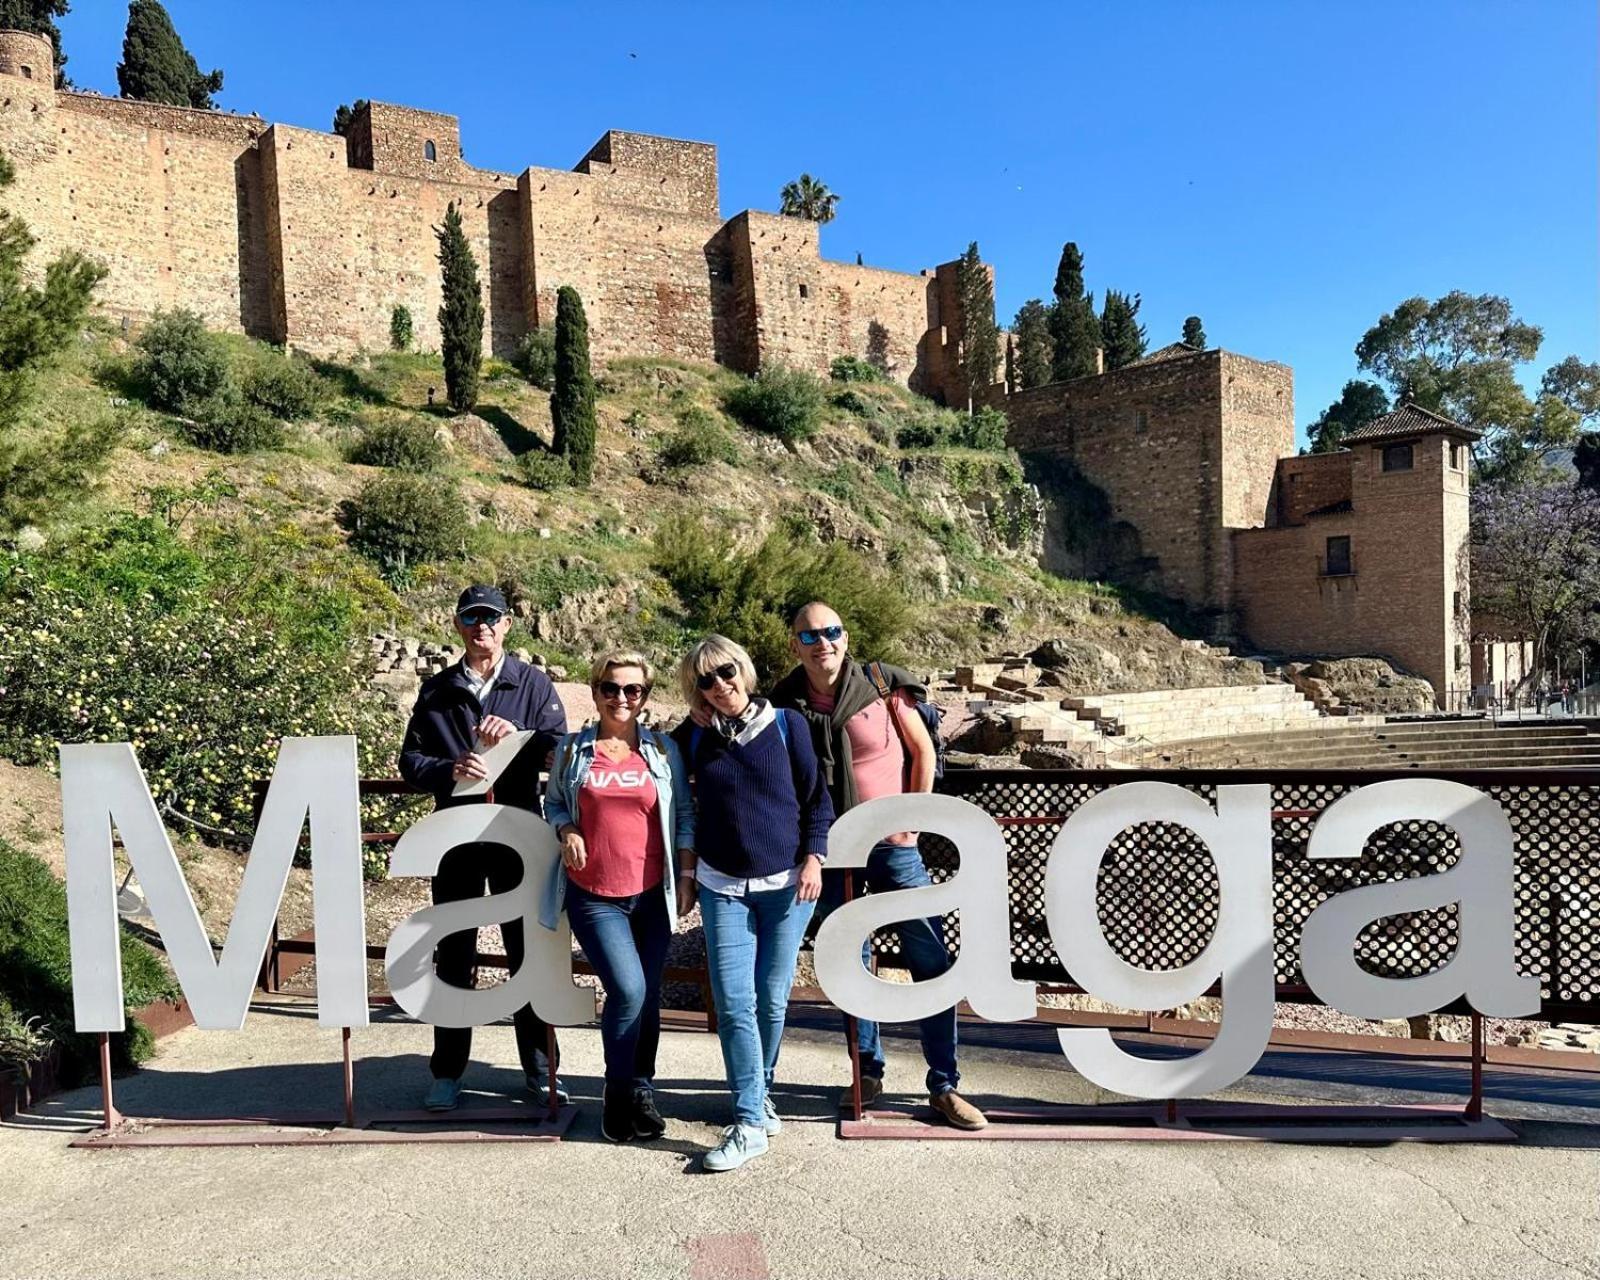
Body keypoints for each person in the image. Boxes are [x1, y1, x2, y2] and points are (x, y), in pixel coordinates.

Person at [771, 601, 987, 1130]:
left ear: (845, 636)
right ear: (794, 643)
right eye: (809, 635)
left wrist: (910, 819)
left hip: (893, 844)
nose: (823, 642)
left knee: (930, 957)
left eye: (832, 631)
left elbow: (922, 751)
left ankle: (944, 1084)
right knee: (852, 962)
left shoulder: (880, 683)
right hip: (831, 848)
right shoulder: (785, 701)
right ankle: (866, 1071)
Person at [398, 584, 570, 1112]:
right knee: (454, 954)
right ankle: (447, 1072)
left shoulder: (533, 683)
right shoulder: (436, 691)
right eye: (472, 618)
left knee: (529, 954)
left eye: (491, 618)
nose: (483, 628)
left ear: (507, 626)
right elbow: (410, 762)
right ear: (458, 626)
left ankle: (541, 1071)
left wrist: (518, 734)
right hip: (456, 843)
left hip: (519, 839)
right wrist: (448, 770)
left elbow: (559, 750)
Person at [673, 635, 834, 1172]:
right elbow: (647, 755)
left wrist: (815, 857)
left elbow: (816, 799)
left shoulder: (788, 726)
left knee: (771, 998)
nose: (719, 686)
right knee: (734, 1002)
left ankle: (759, 1094)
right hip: (723, 887)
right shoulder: (695, 738)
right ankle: (747, 1119)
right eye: (705, 681)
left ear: (742, 669)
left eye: (724, 673)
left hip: (788, 886)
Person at [540, 651, 695, 1143]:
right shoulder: (572, 749)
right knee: (628, 990)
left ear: (646, 697)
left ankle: (641, 1089)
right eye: (611, 688)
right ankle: (617, 1089)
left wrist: (687, 874)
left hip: (652, 894)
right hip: (594, 894)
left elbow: (686, 815)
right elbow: (554, 800)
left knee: (647, 998)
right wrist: (565, 828)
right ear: (596, 690)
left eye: (633, 690)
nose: (622, 698)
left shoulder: (664, 750)